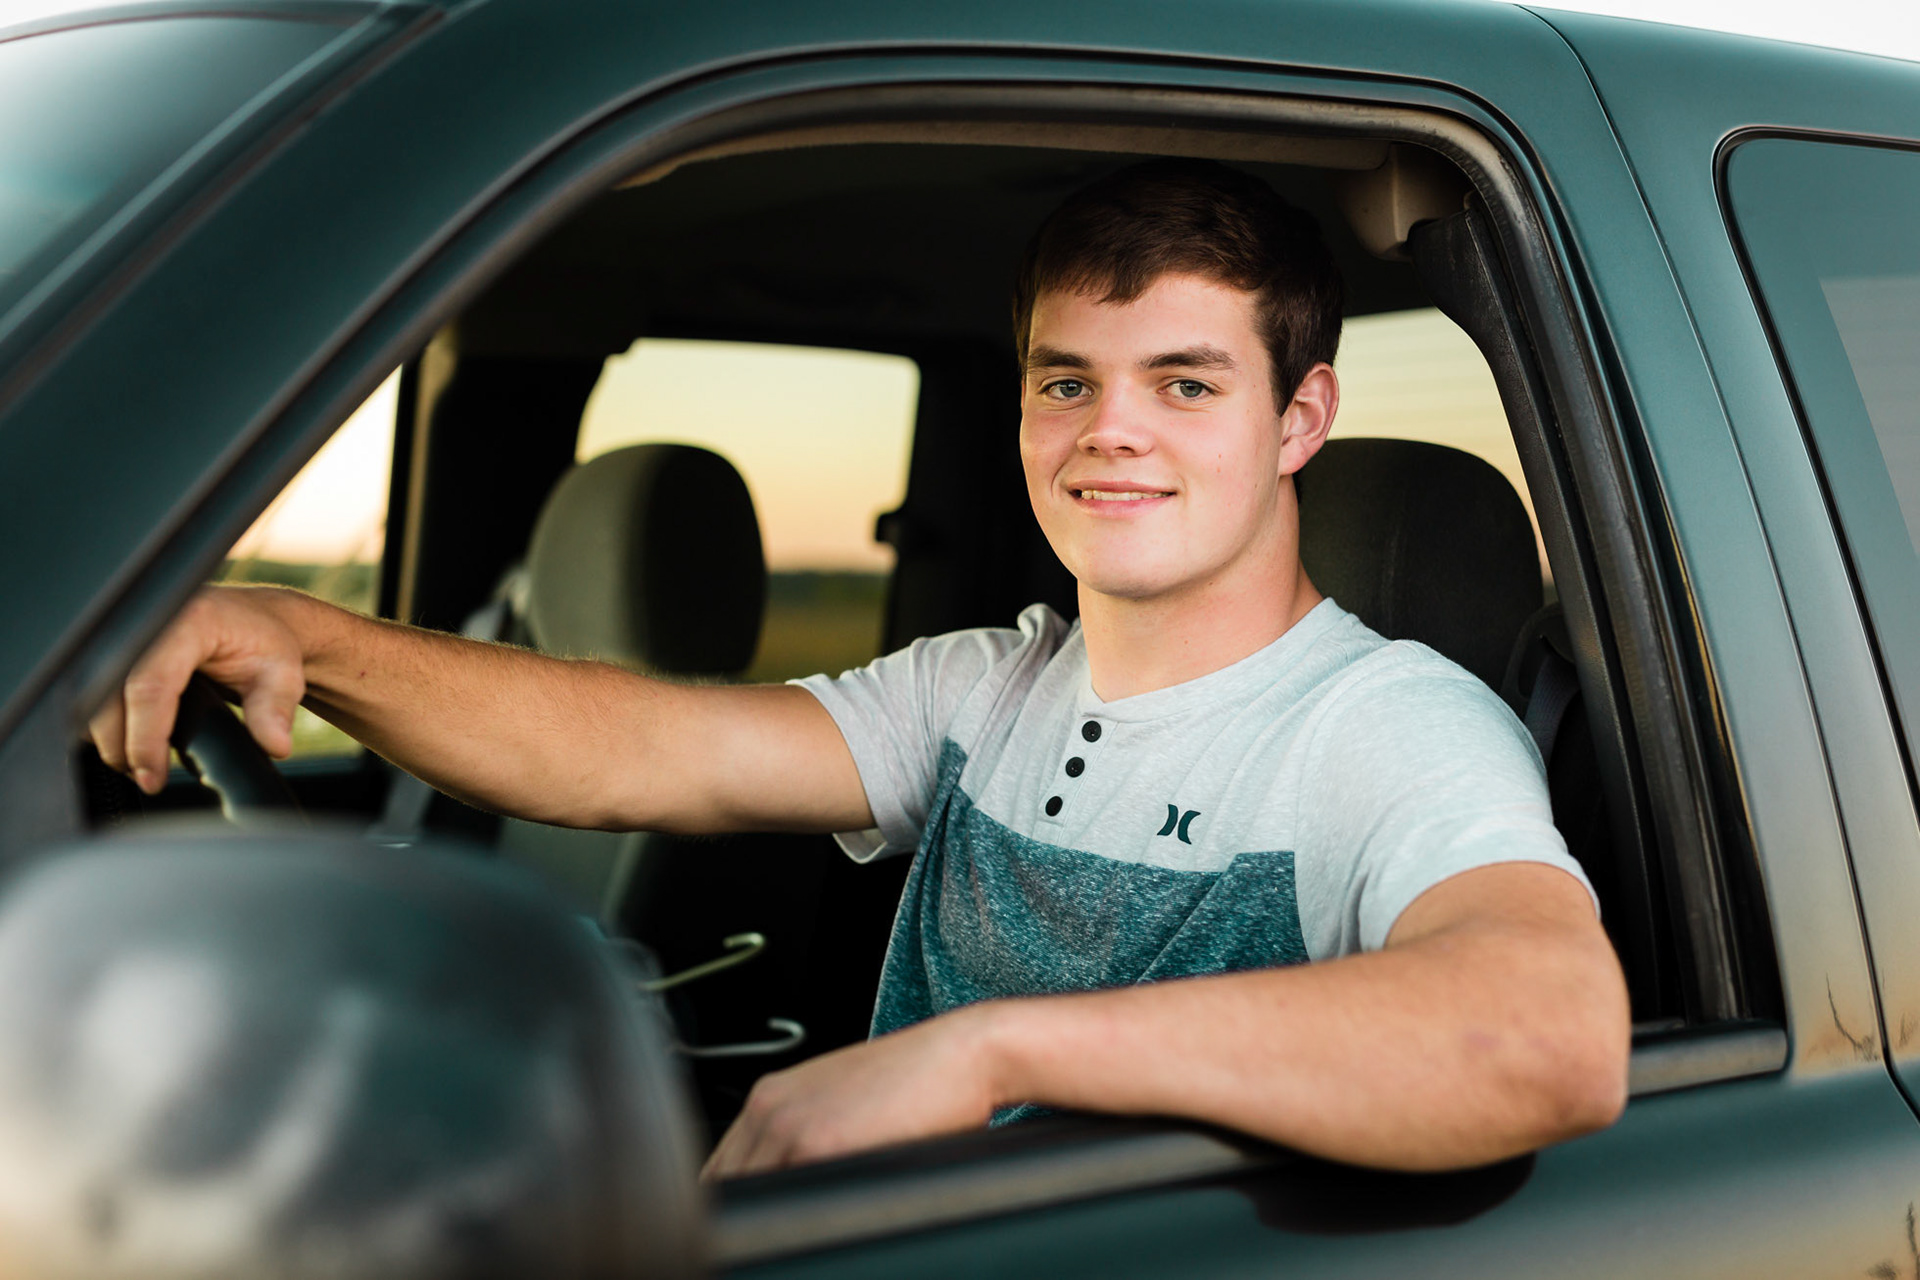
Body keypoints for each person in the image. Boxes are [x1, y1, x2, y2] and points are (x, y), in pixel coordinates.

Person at [89, 160, 1629, 1180]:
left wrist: (991, 1053)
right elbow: (642, 754)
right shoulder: (984, 687)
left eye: (1186, 384)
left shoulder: (1386, 727)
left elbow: (1549, 1036)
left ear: (1300, 423)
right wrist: (306, 634)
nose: (1113, 431)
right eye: (1067, 381)